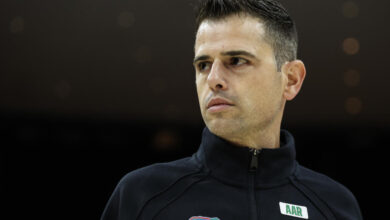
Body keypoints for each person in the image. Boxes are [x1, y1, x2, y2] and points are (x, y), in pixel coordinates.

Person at [101, 0, 363, 219]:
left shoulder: (336, 207)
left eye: (236, 61)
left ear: (291, 79)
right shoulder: (141, 196)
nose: (213, 78)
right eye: (203, 64)